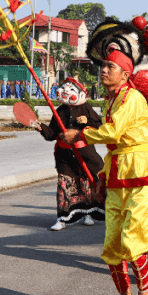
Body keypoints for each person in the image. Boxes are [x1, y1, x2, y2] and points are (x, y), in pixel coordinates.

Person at [62, 48, 148, 295]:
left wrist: (80, 135)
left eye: (110, 67)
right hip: (118, 171)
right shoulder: (112, 101)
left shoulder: (131, 97)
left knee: (133, 242)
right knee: (112, 247)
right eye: (102, 66)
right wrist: (104, 176)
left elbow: (113, 133)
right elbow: (115, 147)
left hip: (140, 173)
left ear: (125, 74)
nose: (103, 70)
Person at [34, 76, 105, 230]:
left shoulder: (86, 108)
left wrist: (87, 121)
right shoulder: (59, 111)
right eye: (64, 88)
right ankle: (62, 218)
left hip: (84, 153)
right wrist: (42, 128)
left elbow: (99, 126)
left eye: (71, 89)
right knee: (64, 185)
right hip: (65, 156)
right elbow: (51, 134)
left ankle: (88, 214)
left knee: (86, 184)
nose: (66, 92)